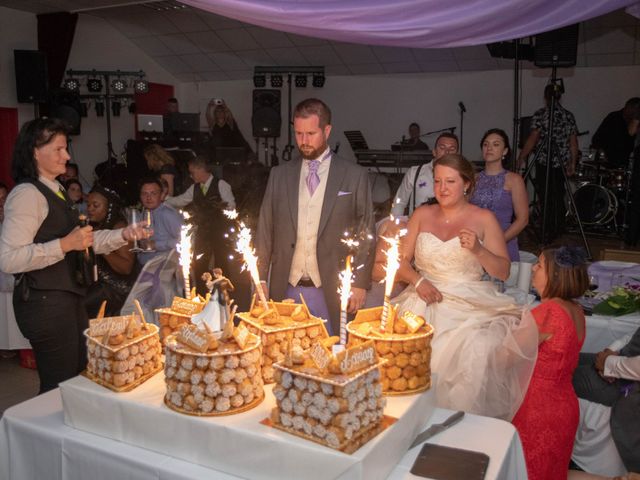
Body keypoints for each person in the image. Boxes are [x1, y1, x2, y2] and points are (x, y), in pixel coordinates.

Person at [0, 118, 147, 393]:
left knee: (76, 378)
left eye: (65, 148)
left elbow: (85, 241)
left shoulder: (55, 190)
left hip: (66, 299)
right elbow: (8, 259)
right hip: (45, 303)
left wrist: (123, 235)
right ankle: (47, 436)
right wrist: (63, 245)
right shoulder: (26, 195)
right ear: (35, 151)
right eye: (58, 149)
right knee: (59, 386)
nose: (67, 156)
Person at [392, 153, 538, 420]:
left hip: (468, 301)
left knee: (471, 351)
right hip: (422, 295)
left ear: (467, 184)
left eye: (450, 181)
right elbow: (398, 263)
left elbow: (503, 272)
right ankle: (408, 423)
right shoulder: (422, 214)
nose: (442, 189)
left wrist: (479, 250)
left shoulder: (484, 219)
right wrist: (418, 280)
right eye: (437, 181)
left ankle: (453, 426)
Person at [256, 98, 375, 335]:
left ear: (327, 130)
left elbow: (366, 231)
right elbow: (265, 228)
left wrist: (360, 282)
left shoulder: (354, 175)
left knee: (330, 356)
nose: (304, 141)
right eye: (298, 133)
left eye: (311, 133)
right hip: (286, 284)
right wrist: (260, 279)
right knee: (284, 355)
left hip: (331, 285)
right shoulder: (279, 175)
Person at [511, 246, 588, 480]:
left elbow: (506, 356)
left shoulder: (548, 312)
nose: (533, 268)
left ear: (555, 275)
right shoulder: (576, 310)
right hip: (565, 405)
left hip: (537, 409)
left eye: (540, 265)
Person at [573, 326, 640, 474]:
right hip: (624, 362)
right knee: (569, 358)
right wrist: (609, 352)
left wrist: (609, 364)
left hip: (632, 388)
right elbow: (633, 333)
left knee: (558, 373)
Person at [165, 155, 235, 296]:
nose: (191, 176)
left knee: (221, 264)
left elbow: (232, 206)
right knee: (199, 265)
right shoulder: (194, 188)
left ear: (201, 169)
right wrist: (163, 199)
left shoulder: (221, 185)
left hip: (219, 231)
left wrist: (221, 207)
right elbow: (181, 200)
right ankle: (202, 297)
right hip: (203, 232)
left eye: (193, 172)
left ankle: (224, 297)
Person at [517, 84, 579, 243]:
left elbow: (533, 138)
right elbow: (573, 141)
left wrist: (521, 157)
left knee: (544, 195)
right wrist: (573, 162)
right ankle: (558, 228)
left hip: (544, 159)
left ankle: (547, 228)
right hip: (561, 161)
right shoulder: (568, 116)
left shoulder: (541, 114)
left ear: (545, 97)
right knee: (558, 194)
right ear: (559, 97)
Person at [470, 129, 528, 261]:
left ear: (505, 151)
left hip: (503, 242)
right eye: (486, 144)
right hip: (475, 242)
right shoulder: (474, 179)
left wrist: (498, 240)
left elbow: (523, 220)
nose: (489, 148)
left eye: (496, 144)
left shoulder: (514, 180)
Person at [85, 185, 138, 318]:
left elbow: (126, 268)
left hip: (117, 291)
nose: (90, 209)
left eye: (95, 205)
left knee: (79, 306)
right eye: (88, 204)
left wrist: (100, 246)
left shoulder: (119, 227)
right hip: (102, 286)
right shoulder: (98, 226)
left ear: (109, 207)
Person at [390, 132, 459, 217]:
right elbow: (400, 201)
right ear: (434, 152)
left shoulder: (461, 177)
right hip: (417, 227)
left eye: (452, 149)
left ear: (457, 155)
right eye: (442, 147)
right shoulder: (415, 172)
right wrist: (396, 223)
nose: (447, 152)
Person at [137, 178, 182, 266]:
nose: (148, 197)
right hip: (144, 265)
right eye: (144, 194)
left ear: (162, 196)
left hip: (164, 269)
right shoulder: (144, 213)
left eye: (153, 193)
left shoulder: (167, 214)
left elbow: (183, 241)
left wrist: (156, 245)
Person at [592, 98, 640, 168]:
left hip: (623, 162)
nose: (636, 114)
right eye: (636, 111)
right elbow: (596, 139)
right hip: (606, 162)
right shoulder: (613, 117)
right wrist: (602, 154)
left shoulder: (635, 122)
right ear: (629, 107)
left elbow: (631, 138)